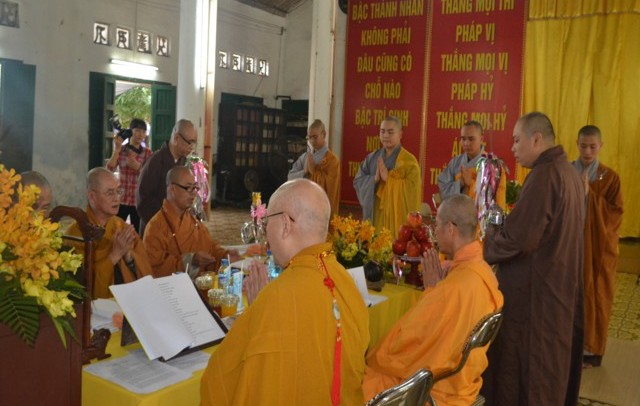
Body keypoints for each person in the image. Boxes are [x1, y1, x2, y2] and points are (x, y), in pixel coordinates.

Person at [200, 179, 370, 405]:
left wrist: (258, 311)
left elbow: (219, 377)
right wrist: (260, 311)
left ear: (285, 224)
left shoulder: (278, 296)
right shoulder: (345, 282)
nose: (266, 236)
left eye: (266, 222)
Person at [481, 112, 585, 405]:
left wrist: (488, 240)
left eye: (517, 140)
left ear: (537, 139)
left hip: (535, 298)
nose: (512, 147)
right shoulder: (568, 173)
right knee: (551, 368)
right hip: (559, 290)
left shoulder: (545, 175)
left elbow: (520, 240)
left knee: (527, 372)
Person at [363, 194, 504, 404]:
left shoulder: (454, 288)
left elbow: (411, 338)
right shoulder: (482, 270)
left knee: (370, 374)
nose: (434, 231)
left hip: (440, 386)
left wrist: (431, 290)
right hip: (464, 378)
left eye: (437, 224)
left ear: (451, 229)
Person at [572, 125, 623, 368]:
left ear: (601, 146)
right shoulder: (567, 172)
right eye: (583, 146)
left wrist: (589, 196)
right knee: (568, 296)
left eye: (593, 147)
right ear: (577, 144)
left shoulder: (610, 178)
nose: (587, 152)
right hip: (570, 246)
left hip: (596, 250)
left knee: (596, 296)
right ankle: (567, 347)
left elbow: (615, 215)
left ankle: (589, 351)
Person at [68, 167, 152, 299]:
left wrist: (128, 258)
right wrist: (113, 256)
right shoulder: (76, 234)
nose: (117, 198)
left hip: (128, 301)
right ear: (92, 197)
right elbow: (79, 288)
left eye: (119, 191)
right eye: (110, 193)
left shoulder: (122, 227)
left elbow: (146, 277)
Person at [143, 166, 241, 278]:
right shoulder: (155, 228)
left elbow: (210, 247)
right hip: (175, 287)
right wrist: (190, 261)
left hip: (202, 283)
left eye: (195, 187)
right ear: (172, 189)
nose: (194, 193)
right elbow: (155, 268)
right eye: (188, 188)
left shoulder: (192, 220)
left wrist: (225, 256)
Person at [353, 116, 422, 238]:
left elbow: (413, 191)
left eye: (390, 132)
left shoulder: (409, 161)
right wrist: (374, 180)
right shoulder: (372, 158)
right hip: (375, 220)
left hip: (397, 223)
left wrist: (389, 180)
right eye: (382, 131)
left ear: (400, 134)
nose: (385, 136)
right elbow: (358, 181)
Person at [136, 119, 197, 235]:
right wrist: (162, 224)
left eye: (194, 143)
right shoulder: (155, 162)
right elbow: (142, 200)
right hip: (155, 230)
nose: (192, 147)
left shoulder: (183, 162)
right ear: (176, 138)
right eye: (189, 142)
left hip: (175, 228)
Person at [437, 120, 506, 208]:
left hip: (480, 216)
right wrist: (460, 183)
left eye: (471, 139)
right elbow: (443, 189)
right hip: (456, 214)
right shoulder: (455, 162)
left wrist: (471, 184)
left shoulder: (492, 165)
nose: (466, 143)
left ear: (481, 139)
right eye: (463, 139)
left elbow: (495, 198)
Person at [106, 118, 152, 234]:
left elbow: (150, 176)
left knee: (137, 233)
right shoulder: (121, 150)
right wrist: (117, 149)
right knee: (116, 231)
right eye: (137, 130)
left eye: (143, 131)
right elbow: (109, 169)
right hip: (122, 198)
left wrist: (138, 167)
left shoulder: (147, 153)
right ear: (130, 131)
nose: (140, 134)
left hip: (138, 200)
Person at [287, 119, 341, 219]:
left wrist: (313, 171)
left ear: (324, 134)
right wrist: (304, 172)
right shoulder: (305, 157)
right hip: (303, 207)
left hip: (320, 210)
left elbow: (331, 190)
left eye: (315, 137)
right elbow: (290, 177)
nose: (312, 141)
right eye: (309, 137)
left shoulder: (333, 160)